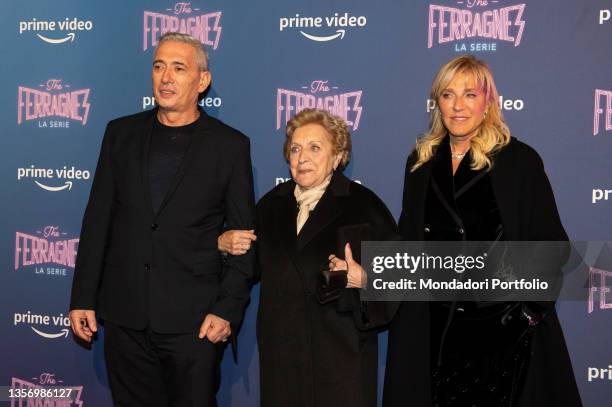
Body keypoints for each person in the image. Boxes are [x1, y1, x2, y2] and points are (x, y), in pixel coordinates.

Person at [68, 32, 255, 406]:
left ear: (202, 81)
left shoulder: (230, 146)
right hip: (125, 316)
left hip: (195, 322)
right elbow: (97, 220)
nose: (166, 77)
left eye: (178, 67)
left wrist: (226, 310)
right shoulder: (119, 134)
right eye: (158, 66)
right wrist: (82, 297)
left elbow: (244, 239)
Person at [383, 55, 582, 407]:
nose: (458, 106)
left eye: (470, 94)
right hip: (434, 334)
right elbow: (409, 247)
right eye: (448, 94)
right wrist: (371, 274)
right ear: (437, 103)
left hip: (504, 338)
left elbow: (553, 247)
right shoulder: (420, 163)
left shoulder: (519, 160)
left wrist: (524, 316)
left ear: (488, 101)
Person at [220, 108, 398, 407]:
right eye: (295, 148)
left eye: (315, 148)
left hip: (342, 361)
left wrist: (366, 279)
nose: (302, 157)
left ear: (338, 155)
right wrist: (223, 245)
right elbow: (244, 269)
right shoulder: (270, 207)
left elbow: (398, 277)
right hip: (283, 360)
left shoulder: (364, 206)